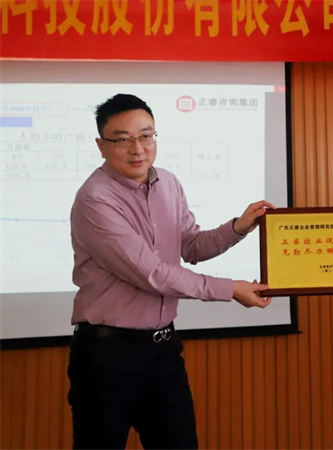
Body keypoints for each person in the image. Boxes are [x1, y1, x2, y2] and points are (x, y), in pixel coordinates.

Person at [68, 93, 273, 449]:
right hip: (107, 357)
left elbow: (190, 246)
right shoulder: (94, 199)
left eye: (146, 136)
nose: (138, 149)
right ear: (101, 146)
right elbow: (153, 274)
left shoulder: (168, 183)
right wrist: (230, 289)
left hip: (163, 351)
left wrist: (238, 227)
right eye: (123, 139)